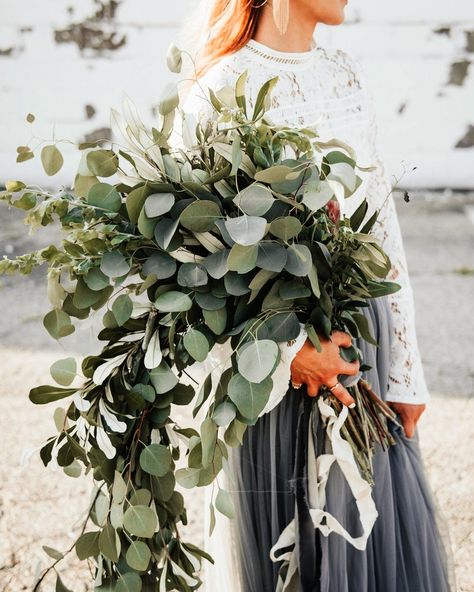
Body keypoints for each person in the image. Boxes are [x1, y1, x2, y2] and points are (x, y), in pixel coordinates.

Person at [171, 0, 457, 590]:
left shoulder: (344, 73)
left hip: (362, 349)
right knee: (293, 554)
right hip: (275, 368)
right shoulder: (220, 87)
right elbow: (187, 261)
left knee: (371, 539)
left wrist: (407, 370)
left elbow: (382, 227)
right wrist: (288, 352)